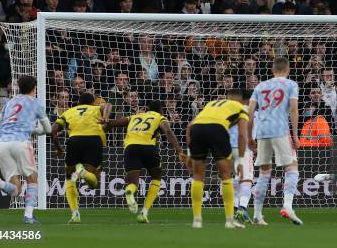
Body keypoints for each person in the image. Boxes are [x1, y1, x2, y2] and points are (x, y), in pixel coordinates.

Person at [0, 76, 51, 224]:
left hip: (2, 145)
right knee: (32, 179)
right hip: (20, 143)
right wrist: (34, 129)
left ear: (19, 87)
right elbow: (48, 129)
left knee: (16, 189)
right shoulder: (36, 103)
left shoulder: (10, 102)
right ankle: (28, 216)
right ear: (34, 88)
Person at [105, 100, 185, 223]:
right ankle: (144, 212)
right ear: (161, 110)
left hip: (130, 148)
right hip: (148, 148)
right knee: (157, 177)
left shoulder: (135, 116)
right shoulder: (160, 117)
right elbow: (168, 132)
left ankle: (129, 191)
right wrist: (179, 151)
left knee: (133, 183)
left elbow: (115, 123)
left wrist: (106, 123)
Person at [248, 57, 302, 225]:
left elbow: (249, 113)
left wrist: (250, 136)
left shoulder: (260, 86)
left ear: (272, 69)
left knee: (264, 173)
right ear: (288, 69)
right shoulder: (291, 85)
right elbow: (293, 109)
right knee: (292, 167)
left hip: (262, 132)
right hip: (280, 130)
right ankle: (287, 205)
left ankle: (257, 215)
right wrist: (295, 135)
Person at [186, 88, 251, 229]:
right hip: (217, 129)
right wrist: (240, 160)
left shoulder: (212, 103)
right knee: (226, 175)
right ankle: (229, 220)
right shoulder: (241, 108)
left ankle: (197, 220)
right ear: (241, 100)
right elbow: (242, 135)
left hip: (197, 129)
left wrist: (189, 153)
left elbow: (189, 126)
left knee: (198, 176)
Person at [51, 92, 112, 224]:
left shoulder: (69, 112)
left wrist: (58, 148)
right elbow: (107, 104)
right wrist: (106, 118)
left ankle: (75, 214)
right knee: (93, 181)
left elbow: (53, 130)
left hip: (74, 141)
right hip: (94, 140)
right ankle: (83, 172)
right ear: (92, 103)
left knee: (69, 179)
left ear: (78, 103)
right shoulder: (96, 108)